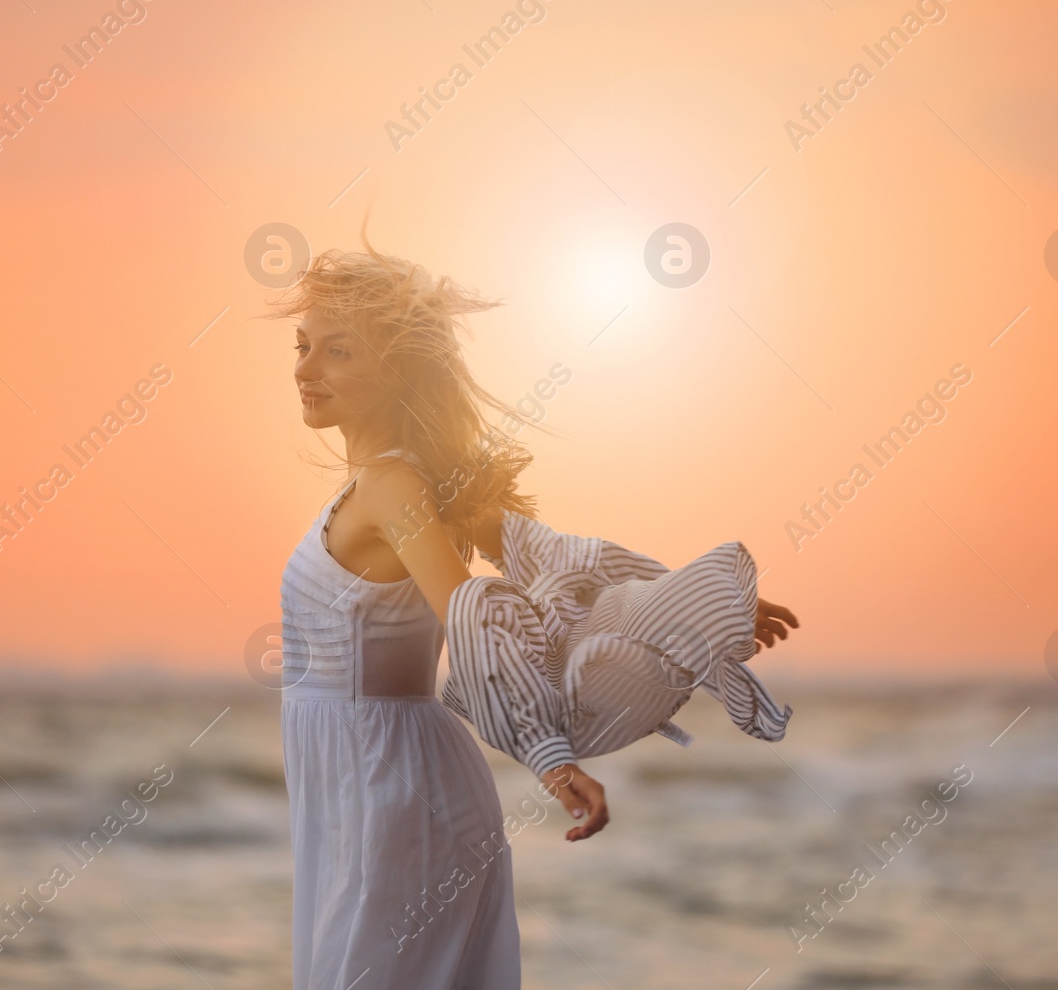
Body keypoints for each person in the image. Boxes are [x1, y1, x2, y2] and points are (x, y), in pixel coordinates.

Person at [267, 245, 798, 989]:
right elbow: (559, 557)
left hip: (388, 787)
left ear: (395, 369)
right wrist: (699, 598)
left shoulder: (392, 486)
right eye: (303, 346)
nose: (304, 368)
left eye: (338, 350)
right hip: (369, 782)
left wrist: (550, 758)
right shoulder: (400, 483)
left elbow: (473, 617)